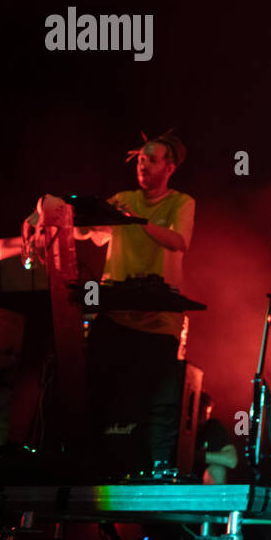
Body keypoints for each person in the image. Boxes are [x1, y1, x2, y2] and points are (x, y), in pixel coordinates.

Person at [27, 131, 196, 476]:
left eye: (152, 159)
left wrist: (136, 220)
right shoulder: (123, 198)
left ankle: (139, 472)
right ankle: (81, 465)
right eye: (141, 159)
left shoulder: (181, 203)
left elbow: (179, 241)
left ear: (170, 167)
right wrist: (42, 215)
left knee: (144, 402)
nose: (143, 164)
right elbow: (84, 227)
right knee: (92, 389)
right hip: (115, 314)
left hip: (159, 322)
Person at [194, 393, 238, 484]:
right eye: (202, 412)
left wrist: (196, 456)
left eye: (207, 413)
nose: (205, 417)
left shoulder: (212, 427)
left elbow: (231, 460)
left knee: (217, 470)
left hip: (201, 483)